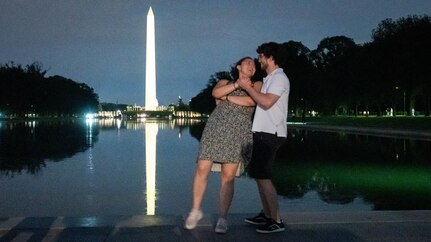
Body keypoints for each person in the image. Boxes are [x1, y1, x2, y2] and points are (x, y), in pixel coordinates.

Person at [184, 57, 263, 233]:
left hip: (237, 132)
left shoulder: (257, 85)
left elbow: (251, 102)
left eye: (253, 64)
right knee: (202, 168)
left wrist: (227, 97)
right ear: (239, 67)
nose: (251, 65)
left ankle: (222, 218)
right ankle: (196, 210)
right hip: (215, 129)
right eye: (248, 63)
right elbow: (215, 94)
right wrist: (235, 87)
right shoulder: (224, 81)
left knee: (228, 176)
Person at [237, 42, 290, 233]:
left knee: (265, 176)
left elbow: (266, 102)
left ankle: (276, 220)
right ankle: (267, 215)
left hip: (271, 133)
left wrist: (248, 88)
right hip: (261, 132)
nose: (258, 60)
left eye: (260, 56)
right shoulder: (270, 78)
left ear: (269, 57)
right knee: (259, 175)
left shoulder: (280, 78)